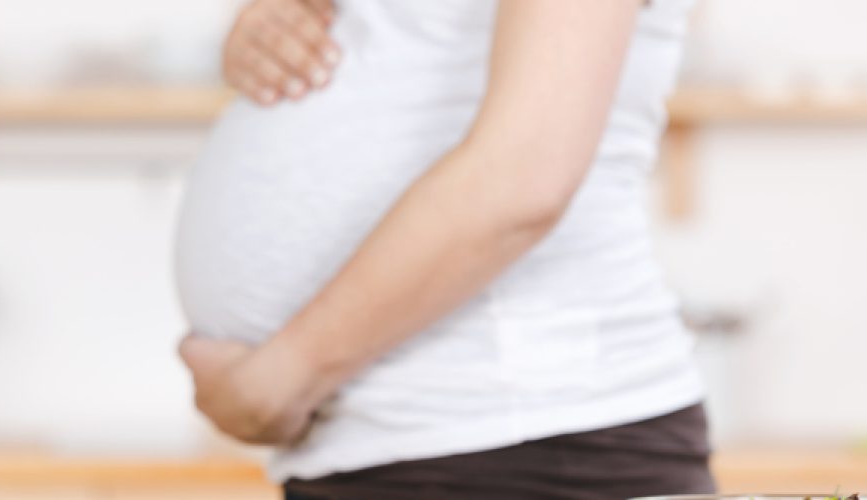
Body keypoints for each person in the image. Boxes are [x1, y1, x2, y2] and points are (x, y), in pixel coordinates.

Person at [174, 1, 713, 498]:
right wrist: (271, 34)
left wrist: (284, 378)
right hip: (396, 442)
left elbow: (522, 175)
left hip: (520, 441)